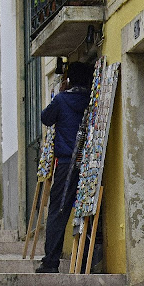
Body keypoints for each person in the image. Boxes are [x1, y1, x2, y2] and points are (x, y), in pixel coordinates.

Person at [36, 61, 94, 274]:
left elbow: (46, 118)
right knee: (88, 211)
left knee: (58, 212)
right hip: (89, 164)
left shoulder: (61, 100)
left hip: (67, 164)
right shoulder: (91, 100)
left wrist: (59, 93)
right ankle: (86, 259)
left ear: (69, 80)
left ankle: (50, 262)